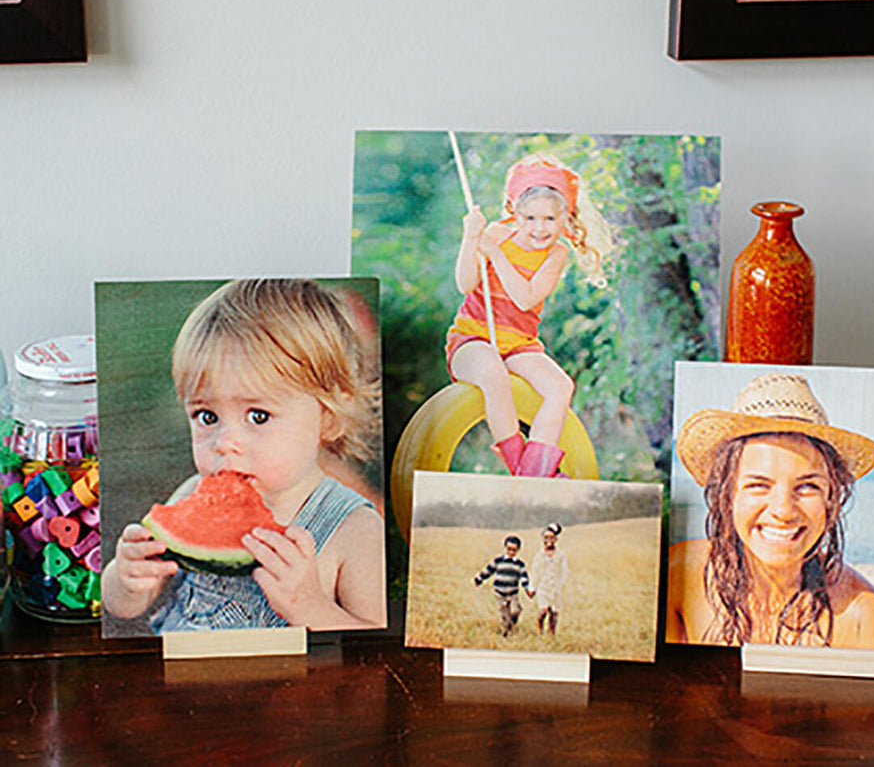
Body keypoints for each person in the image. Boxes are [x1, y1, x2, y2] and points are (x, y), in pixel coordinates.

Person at [102, 278, 386, 632]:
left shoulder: (355, 529)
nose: (225, 442)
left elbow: (375, 647)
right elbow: (124, 608)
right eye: (207, 416)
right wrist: (126, 579)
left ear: (328, 418)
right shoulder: (191, 493)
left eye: (258, 416)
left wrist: (312, 609)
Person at [666, 372, 874, 652]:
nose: (783, 511)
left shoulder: (862, 615)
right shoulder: (683, 575)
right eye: (758, 485)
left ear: (832, 498)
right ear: (727, 496)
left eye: (807, 487)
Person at [445, 155, 614, 478]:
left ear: (565, 219)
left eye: (550, 219)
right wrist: (471, 239)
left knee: (560, 387)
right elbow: (465, 284)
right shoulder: (497, 234)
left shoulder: (556, 252)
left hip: (520, 345)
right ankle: (524, 469)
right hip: (473, 339)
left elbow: (525, 299)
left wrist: (495, 254)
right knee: (493, 373)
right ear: (515, 213)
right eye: (531, 218)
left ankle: (535, 472)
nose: (540, 228)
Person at [473, 534, 532, 637]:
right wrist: (479, 579)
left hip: (513, 592)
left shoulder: (519, 564)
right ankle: (505, 632)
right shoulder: (498, 561)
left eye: (514, 550)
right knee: (504, 612)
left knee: (516, 610)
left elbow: (524, 577)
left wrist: (527, 589)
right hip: (499, 592)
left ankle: (512, 623)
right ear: (505, 547)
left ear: (518, 550)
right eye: (509, 549)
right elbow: (489, 570)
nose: (511, 552)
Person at [528, 522, 569, 635]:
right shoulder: (539, 555)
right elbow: (535, 571)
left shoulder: (560, 554)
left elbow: (564, 570)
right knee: (544, 610)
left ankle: (551, 633)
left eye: (551, 537)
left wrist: (562, 584)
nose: (549, 540)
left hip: (556, 587)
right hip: (543, 587)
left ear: (556, 539)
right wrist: (532, 587)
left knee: (554, 612)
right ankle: (539, 624)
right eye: (546, 537)